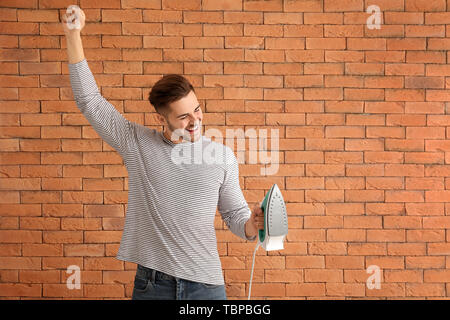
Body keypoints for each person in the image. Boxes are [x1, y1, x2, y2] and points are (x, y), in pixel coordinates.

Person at [62, 8, 264, 300]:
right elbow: (89, 100)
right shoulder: (136, 143)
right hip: (153, 285)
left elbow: (235, 215)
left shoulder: (222, 156)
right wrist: (73, 34)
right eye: (183, 117)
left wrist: (252, 225)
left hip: (206, 287)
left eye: (197, 109)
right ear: (161, 119)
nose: (195, 121)